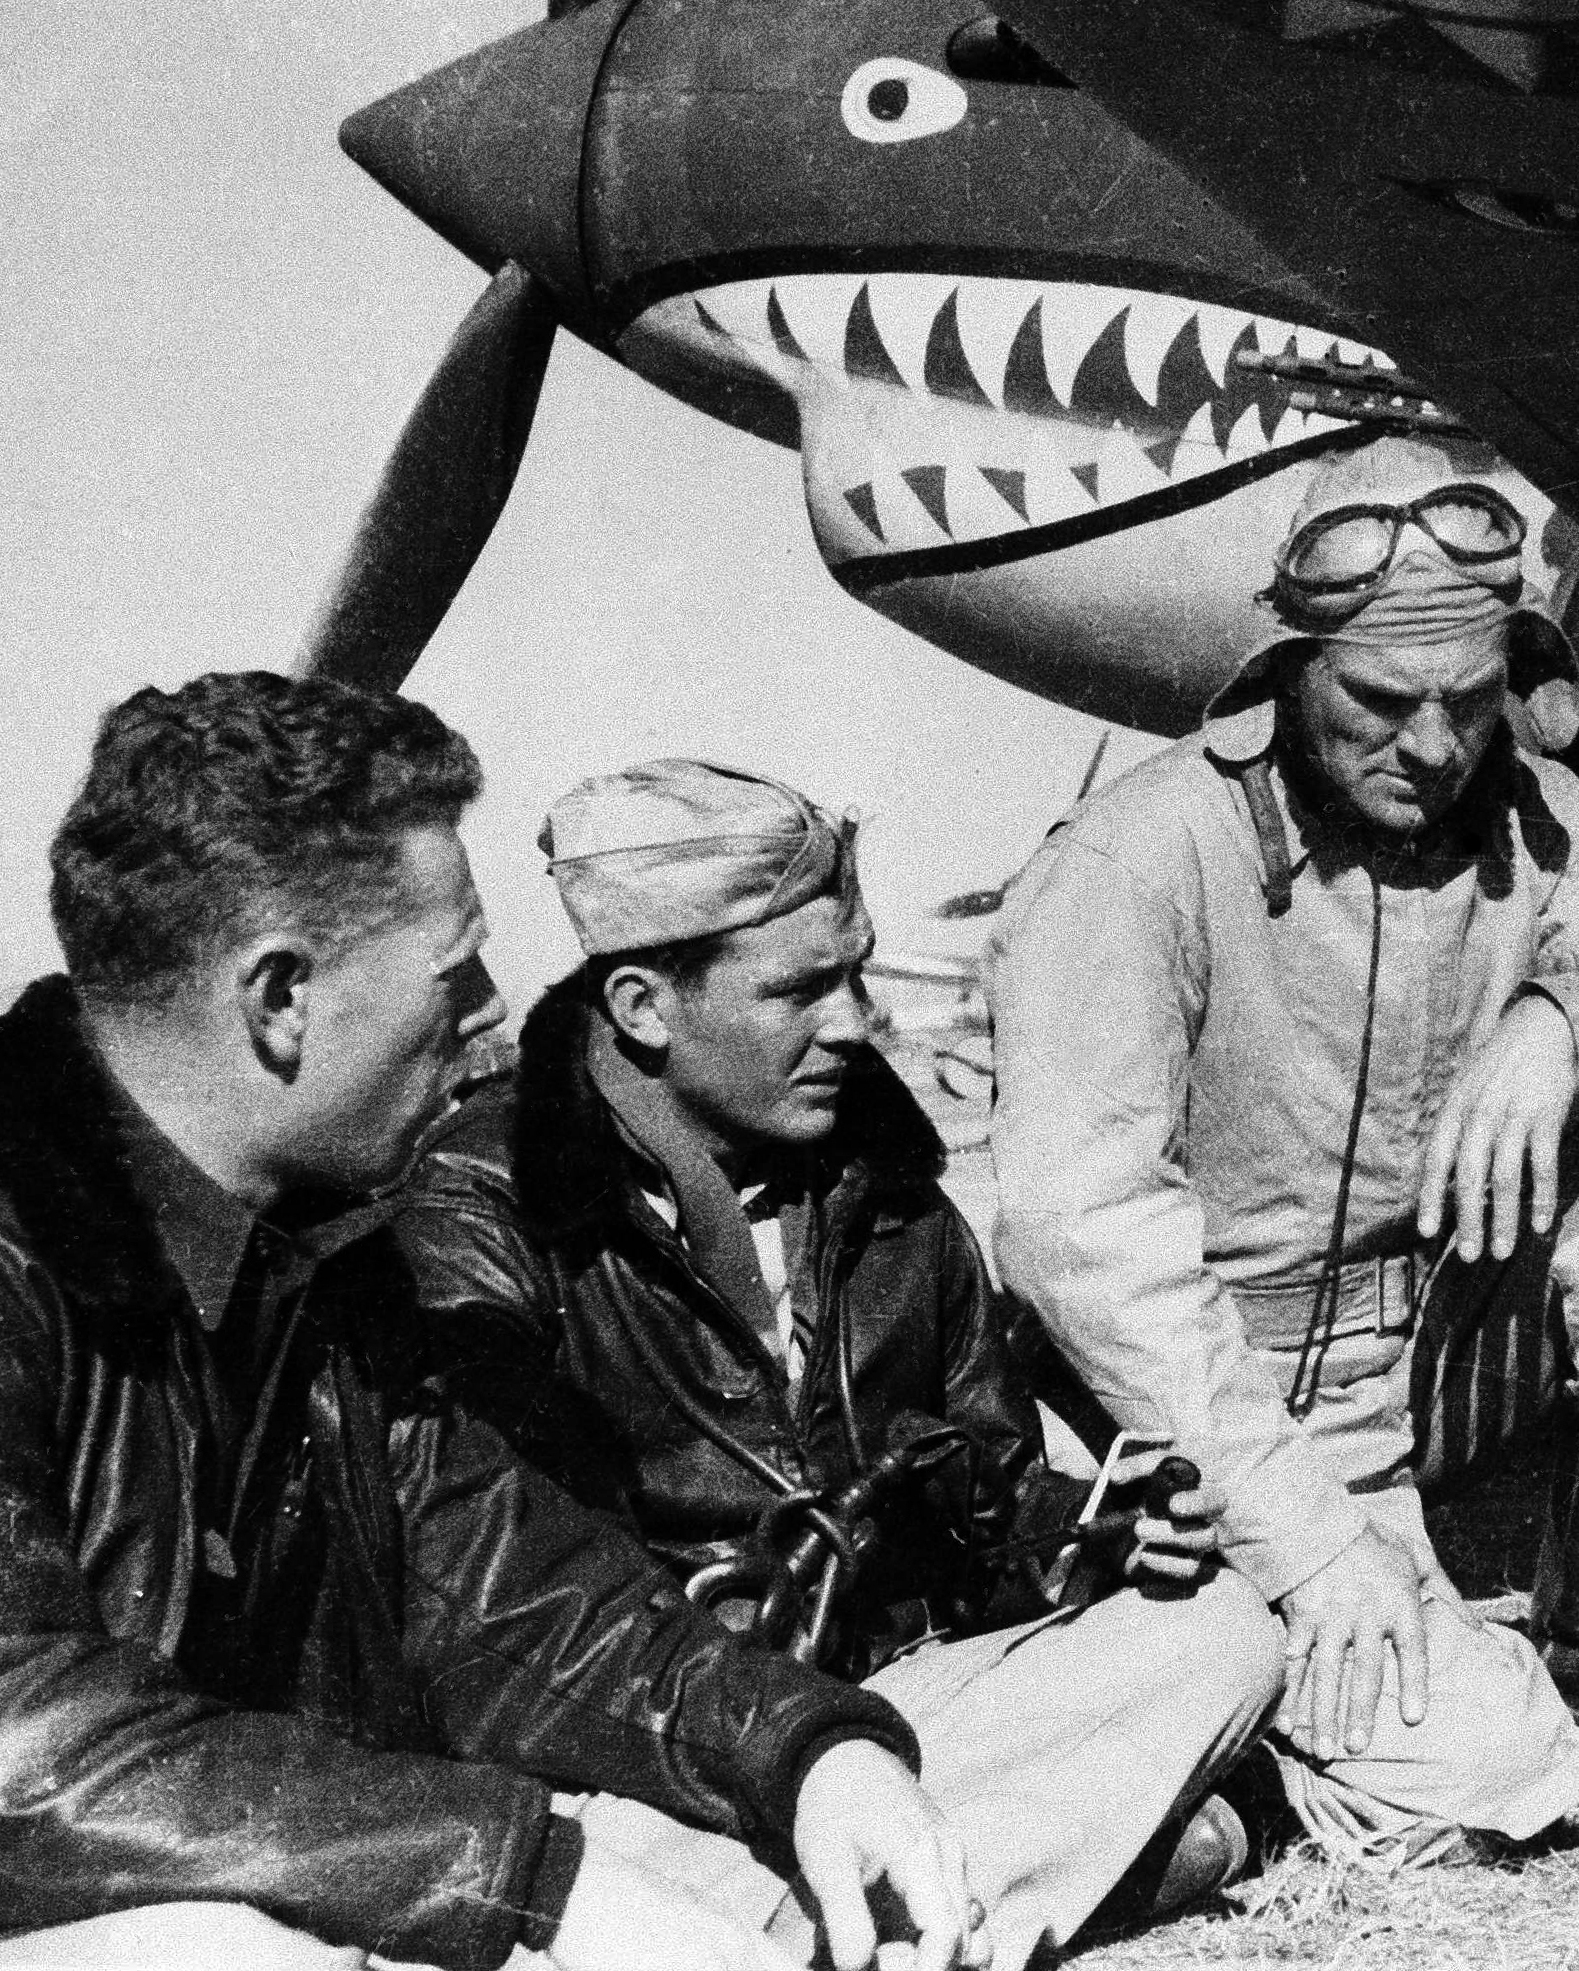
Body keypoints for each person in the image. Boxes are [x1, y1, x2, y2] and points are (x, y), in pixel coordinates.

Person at [0, 674, 971, 1971]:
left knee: (1189, 1654)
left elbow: (511, 1593)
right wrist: (534, 1881)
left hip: (353, 1863)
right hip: (135, 1908)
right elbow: (24, 1750)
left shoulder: (330, 1248)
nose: (492, 1017)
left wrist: (806, 1752)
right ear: (278, 999)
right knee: (224, 1952)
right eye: (454, 974)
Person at [987, 432, 1579, 1858]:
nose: (1431, 747)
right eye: (1378, 696)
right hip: (1207, 1405)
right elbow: (1086, 1242)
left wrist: (1565, 1022)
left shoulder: (1530, 809)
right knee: (1492, 1771)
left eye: (1471, 699)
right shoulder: (1131, 861)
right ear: (1284, 673)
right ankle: (1241, 1717)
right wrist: (1303, 1541)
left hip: (1427, 1358)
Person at [393, 759, 1286, 1971]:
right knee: (592, 1852)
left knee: (1222, 1630)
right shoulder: (487, 1208)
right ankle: (1067, 1880)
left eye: (858, 972)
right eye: (804, 987)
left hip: (876, 1719)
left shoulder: (892, 1198)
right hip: (650, 1745)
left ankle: (872, 1926)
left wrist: (1092, 1532)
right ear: (647, 1007)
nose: (857, 1021)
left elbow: (983, 1480)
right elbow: (504, 1595)